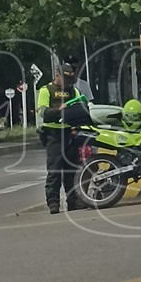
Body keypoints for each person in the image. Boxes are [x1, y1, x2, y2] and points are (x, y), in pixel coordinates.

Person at [37, 63, 88, 214]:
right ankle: (53, 203)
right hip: (53, 135)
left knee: (72, 170)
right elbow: (42, 111)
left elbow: (82, 106)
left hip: (70, 134)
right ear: (57, 75)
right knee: (54, 171)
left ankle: (73, 201)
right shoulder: (46, 90)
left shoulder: (73, 90)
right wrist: (58, 111)